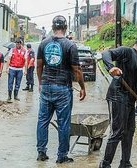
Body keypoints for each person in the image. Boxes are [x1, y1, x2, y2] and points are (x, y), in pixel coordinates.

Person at [99, 34, 137, 168]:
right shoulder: (127, 51)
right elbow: (106, 53)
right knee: (117, 131)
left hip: (130, 100)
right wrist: (110, 67)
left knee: (129, 131)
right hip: (117, 95)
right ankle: (105, 164)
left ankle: (125, 163)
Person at [36, 15, 86, 164]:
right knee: (64, 123)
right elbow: (77, 70)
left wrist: (41, 83)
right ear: (65, 28)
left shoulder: (43, 43)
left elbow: (39, 66)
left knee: (42, 120)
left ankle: (41, 153)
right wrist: (82, 87)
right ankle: (62, 155)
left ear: (52, 27)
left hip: (46, 87)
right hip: (63, 88)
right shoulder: (70, 45)